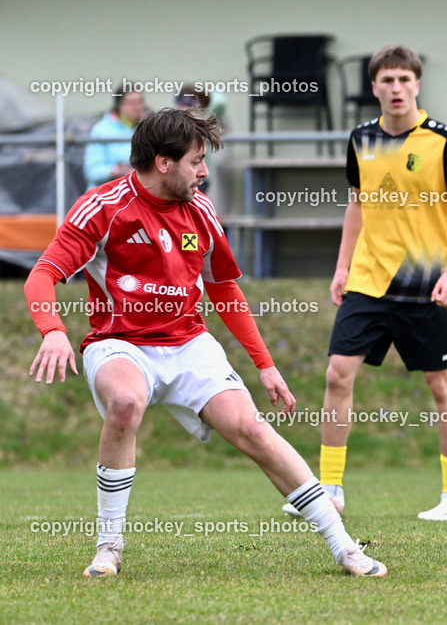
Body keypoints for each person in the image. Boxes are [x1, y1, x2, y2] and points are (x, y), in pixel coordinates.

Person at [25, 108, 386, 577]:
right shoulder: (103, 207)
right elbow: (43, 275)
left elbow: (224, 289)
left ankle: (346, 548)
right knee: (125, 404)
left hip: (189, 343)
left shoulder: (201, 209)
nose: (205, 171)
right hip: (119, 343)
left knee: (253, 429)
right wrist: (53, 329)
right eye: (197, 161)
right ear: (163, 163)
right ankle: (108, 546)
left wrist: (265, 364)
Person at [282, 45, 447, 522]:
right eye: (387, 81)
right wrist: (342, 266)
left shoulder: (444, 141)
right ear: (374, 88)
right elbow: (357, 205)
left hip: (427, 281)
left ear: (417, 84)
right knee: (337, 374)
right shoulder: (361, 139)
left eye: (404, 80)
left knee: (440, 385)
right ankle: (330, 490)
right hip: (369, 279)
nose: (396, 89)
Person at [83, 84, 146, 189]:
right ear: (119, 105)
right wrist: (115, 170)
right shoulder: (101, 130)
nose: (137, 107)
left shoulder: (148, 129)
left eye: (139, 102)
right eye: (131, 103)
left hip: (135, 193)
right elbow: (92, 172)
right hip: (105, 194)